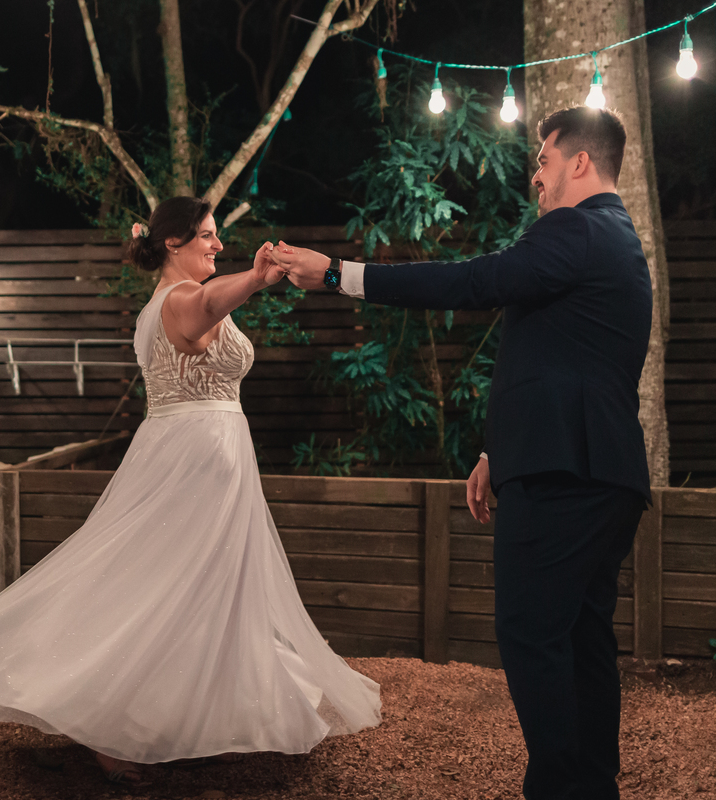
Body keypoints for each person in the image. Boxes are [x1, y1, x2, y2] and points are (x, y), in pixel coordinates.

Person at [0, 196, 381, 787]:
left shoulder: (184, 299)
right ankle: (104, 728)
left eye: (217, 237)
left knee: (205, 595)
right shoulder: (179, 300)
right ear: (173, 243)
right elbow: (210, 301)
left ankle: (192, 723)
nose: (217, 244)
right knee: (157, 585)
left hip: (216, 457)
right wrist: (258, 280)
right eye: (209, 235)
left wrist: (253, 281)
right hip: (188, 461)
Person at [271, 106, 652, 800]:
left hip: (565, 477)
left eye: (542, 160)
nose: (534, 177)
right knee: (582, 641)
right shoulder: (617, 243)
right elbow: (563, 359)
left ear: (579, 163)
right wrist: (495, 450)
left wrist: (338, 275)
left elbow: (474, 281)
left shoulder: (574, 228)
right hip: (601, 471)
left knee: (532, 636)